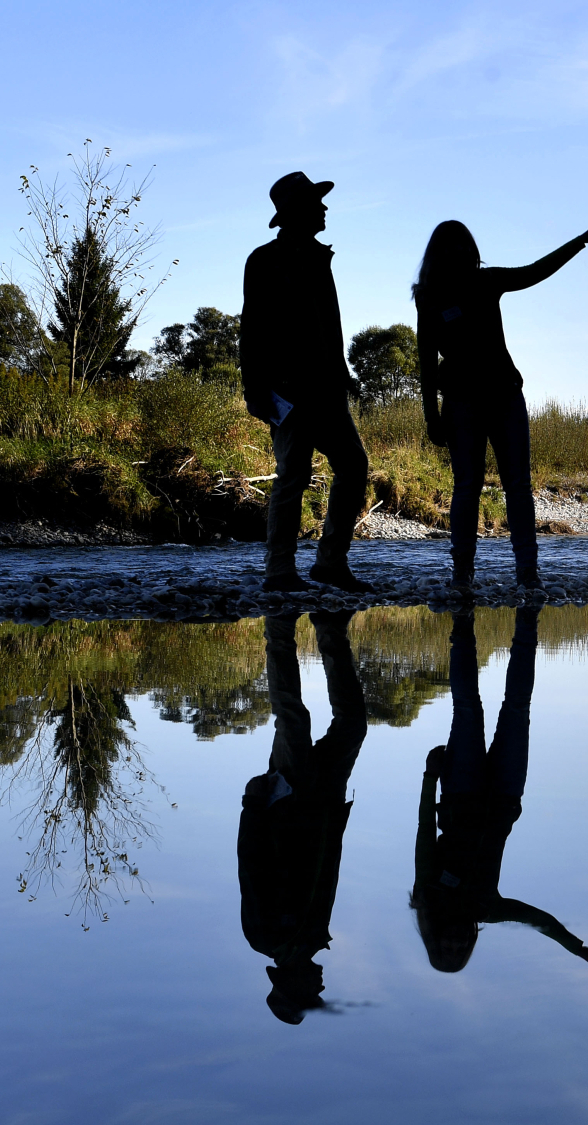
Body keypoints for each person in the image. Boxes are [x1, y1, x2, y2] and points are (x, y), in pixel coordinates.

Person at [413, 215, 588, 590]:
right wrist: (431, 417)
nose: (462, 253)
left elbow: (536, 271)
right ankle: (483, 573)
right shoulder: (434, 296)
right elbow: (424, 361)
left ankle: (513, 573)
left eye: (463, 247)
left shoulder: (481, 283)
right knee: (484, 485)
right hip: (472, 401)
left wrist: (579, 241)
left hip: (495, 397)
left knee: (497, 485)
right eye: (456, 247)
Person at [411, 606, 588, 978]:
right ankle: (527, 618)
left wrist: (429, 777)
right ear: (468, 945)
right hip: (504, 796)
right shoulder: (489, 909)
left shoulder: (428, 895)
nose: (454, 943)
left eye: (445, 948)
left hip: (460, 791)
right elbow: (540, 921)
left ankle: (462, 620)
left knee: (467, 709)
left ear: (433, 939)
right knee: (517, 708)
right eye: (459, 950)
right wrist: (577, 948)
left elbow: (423, 835)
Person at [240, 171, 374, 594]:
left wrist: (344, 372)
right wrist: (255, 390)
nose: (325, 209)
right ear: (297, 211)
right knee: (292, 476)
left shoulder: (320, 258)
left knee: (353, 466)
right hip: (287, 390)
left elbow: (330, 323)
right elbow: (251, 330)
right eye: (317, 203)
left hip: (327, 389)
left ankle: (330, 563)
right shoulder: (262, 261)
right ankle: (279, 571)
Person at [237, 610, 368, 1024]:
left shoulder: (265, 937)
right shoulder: (312, 938)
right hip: (325, 804)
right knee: (353, 724)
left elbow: (251, 865)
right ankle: (330, 628)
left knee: (293, 720)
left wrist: (253, 805)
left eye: (312, 994)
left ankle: (278, 627)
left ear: (291, 985)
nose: (322, 987)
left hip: (288, 803)